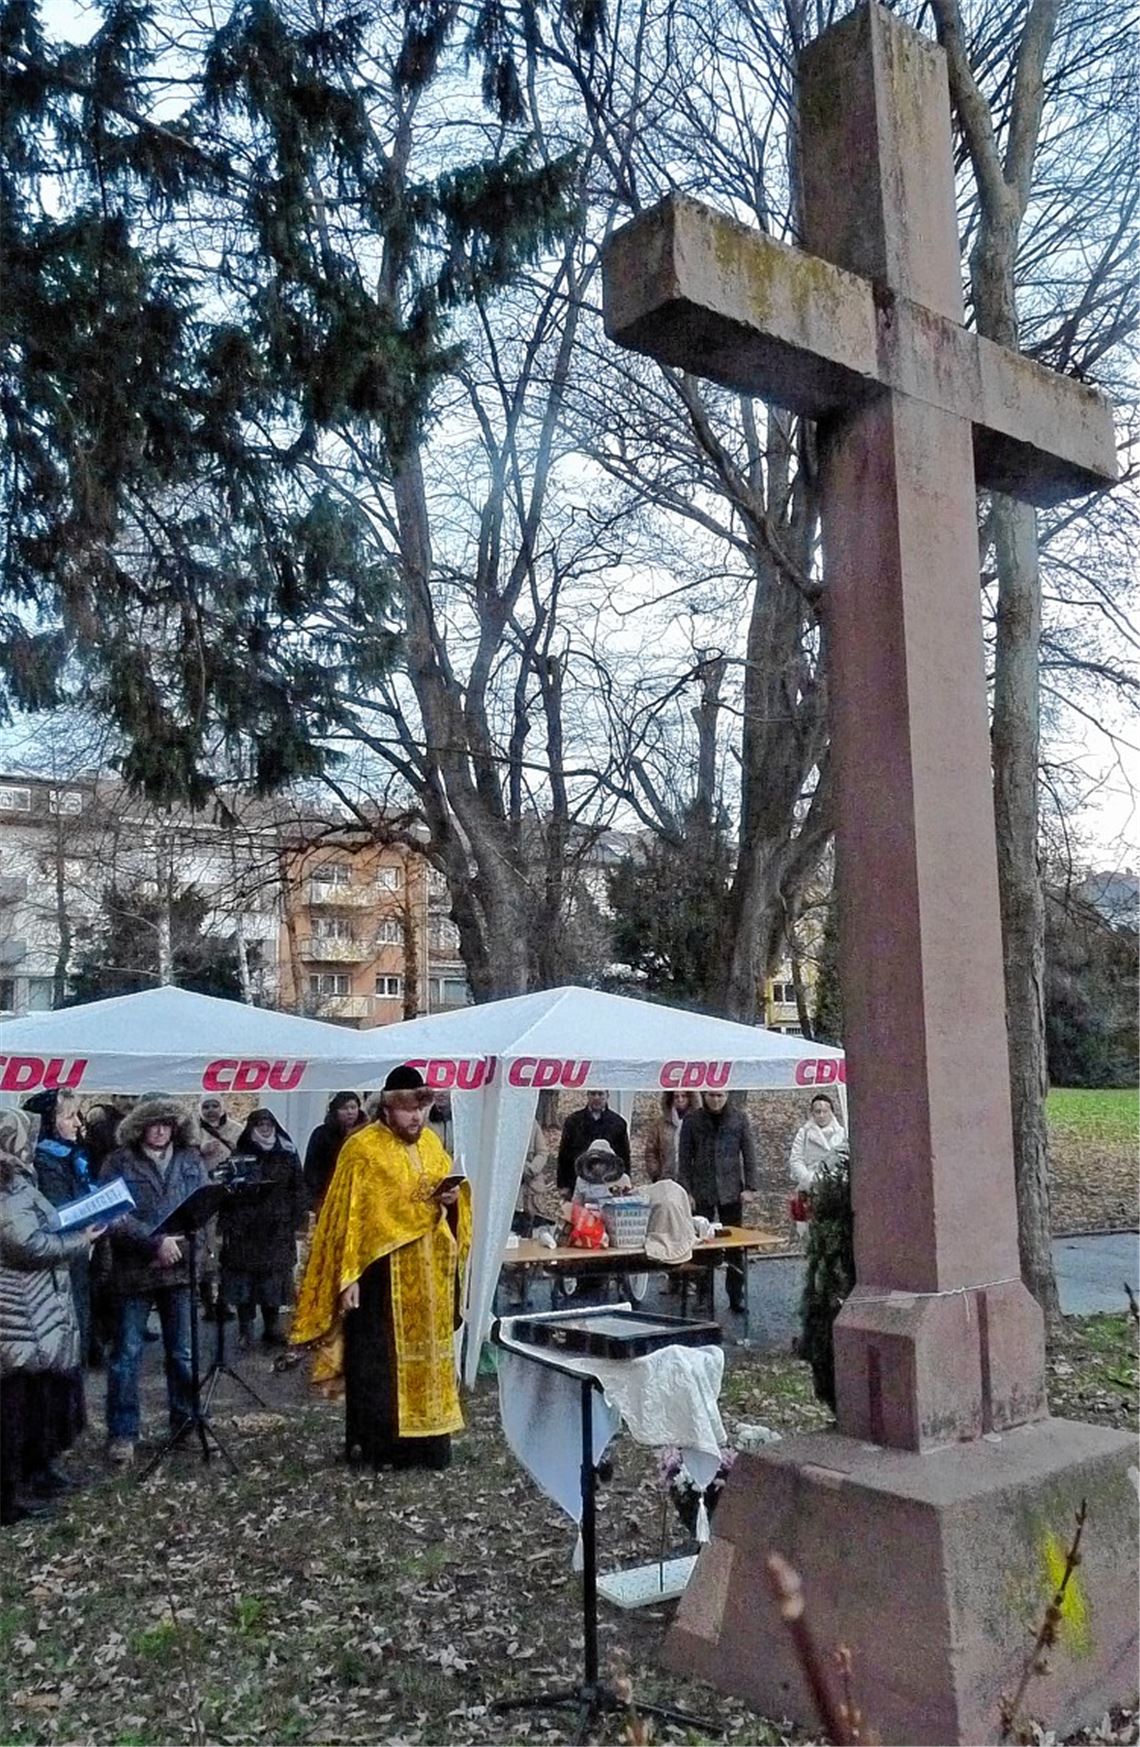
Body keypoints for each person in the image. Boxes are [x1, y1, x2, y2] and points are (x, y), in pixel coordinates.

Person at [291, 1065, 471, 1472]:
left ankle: (428, 1447)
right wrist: (347, 1276)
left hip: (428, 1279)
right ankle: (378, 1449)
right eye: (409, 1110)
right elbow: (345, 1218)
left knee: (428, 1361)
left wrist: (452, 1201)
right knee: (377, 1366)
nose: (416, 1119)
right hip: (379, 1276)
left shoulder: (430, 1145)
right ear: (388, 1109)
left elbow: (451, 1200)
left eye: (422, 1110)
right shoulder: (362, 1148)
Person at [1, 1108, 103, 1524]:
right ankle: (8, 1498)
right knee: (11, 1413)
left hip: (38, 1306)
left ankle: (37, 1473)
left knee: (39, 1402)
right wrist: (80, 1240)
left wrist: (76, 1219)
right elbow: (24, 1244)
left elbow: (42, 1221)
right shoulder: (4, 1187)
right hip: (15, 1312)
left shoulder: (19, 1180)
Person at [100, 1098, 207, 1466]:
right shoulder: (119, 1161)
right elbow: (113, 1213)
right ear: (139, 1127)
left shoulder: (190, 1159)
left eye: (166, 1124)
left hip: (180, 1270)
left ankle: (185, 1423)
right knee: (126, 1355)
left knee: (182, 1353)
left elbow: (204, 1208)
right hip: (135, 1271)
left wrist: (194, 1253)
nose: (160, 1130)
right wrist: (154, 1242)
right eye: (153, 1124)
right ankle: (123, 1433)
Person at [218, 1108, 307, 1348]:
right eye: (260, 1124)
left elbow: (298, 1187)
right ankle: (245, 1329)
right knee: (244, 1283)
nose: (265, 1128)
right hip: (245, 1229)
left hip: (277, 1228)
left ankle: (272, 1328)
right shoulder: (241, 1152)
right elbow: (227, 1192)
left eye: (269, 1123)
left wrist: (298, 1218)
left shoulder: (287, 1152)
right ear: (252, 1127)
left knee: (274, 1282)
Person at [25, 1089, 96, 1362]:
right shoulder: (44, 1161)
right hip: (59, 1263)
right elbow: (59, 1214)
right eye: (69, 1117)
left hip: (76, 1257)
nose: (78, 1123)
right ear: (47, 1122)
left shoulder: (72, 1157)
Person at [677, 1091, 759, 1312]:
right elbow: (684, 1159)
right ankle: (704, 1294)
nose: (716, 1100)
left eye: (720, 1096)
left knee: (734, 1245)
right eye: (712, 1096)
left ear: (727, 1096)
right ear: (705, 1096)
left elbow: (749, 1153)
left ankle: (736, 1295)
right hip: (702, 1189)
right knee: (703, 1245)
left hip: (731, 1190)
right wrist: (686, 1191)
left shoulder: (739, 1118)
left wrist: (750, 1187)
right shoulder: (692, 1120)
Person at [788, 1093, 849, 1233]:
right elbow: (796, 1159)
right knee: (809, 1232)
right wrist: (808, 1179)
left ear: (832, 1112)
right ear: (812, 1113)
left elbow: (846, 1161)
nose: (821, 1115)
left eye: (825, 1111)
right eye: (817, 1111)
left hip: (835, 1190)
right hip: (810, 1190)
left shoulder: (842, 1134)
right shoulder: (803, 1134)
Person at [556, 1090, 630, 1195]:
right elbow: (564, 1154)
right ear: (587, 1095)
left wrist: (625, 1182)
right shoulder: (573, 1121)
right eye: (593, 1094)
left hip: (609, 1183)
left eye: (600, 1094)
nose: (596, 1098)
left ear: (607, 1095)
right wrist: (563, 1185)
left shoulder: (618, 1122)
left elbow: (624, 1155)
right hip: (578, 1181)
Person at [303, 1092, 366, 1214]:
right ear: (335, 1111)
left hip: (359, 1194)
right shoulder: (321, 1134)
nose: (350, 1112)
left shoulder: (366, 1133)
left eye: (353, 1108)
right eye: (344, 1108)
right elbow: (312, 1169)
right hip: (328, 1192)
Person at [644, 1090, 696, 1184]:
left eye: (684, 1096)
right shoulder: (660, 1124)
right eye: (676, 1097)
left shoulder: (698, 1123)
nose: (680, 1100)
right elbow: (651, 1151)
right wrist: (655, 1174)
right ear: (671, 1099)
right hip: (666, 1179)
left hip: (693, 1180)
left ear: (690, 1098)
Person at [426, 1090, 454, 1157]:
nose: (441, 1094)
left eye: (445, 1090)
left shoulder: (462, 1119)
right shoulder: (424, 1118)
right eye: (437, 1090)